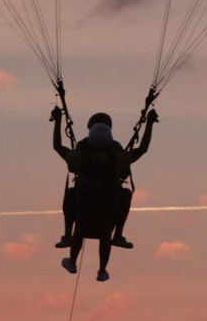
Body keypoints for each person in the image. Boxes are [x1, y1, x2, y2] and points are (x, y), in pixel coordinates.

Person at [52, 107, 156, 281]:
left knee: (73, 202)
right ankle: (105, 262)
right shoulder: (117, 158)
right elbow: (142, 148)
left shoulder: (80, 155)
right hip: (106, 209)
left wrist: (57, 120)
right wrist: (150, 123)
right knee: (108, 229)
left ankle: (69, 243)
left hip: (84, 207)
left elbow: (57, 146)